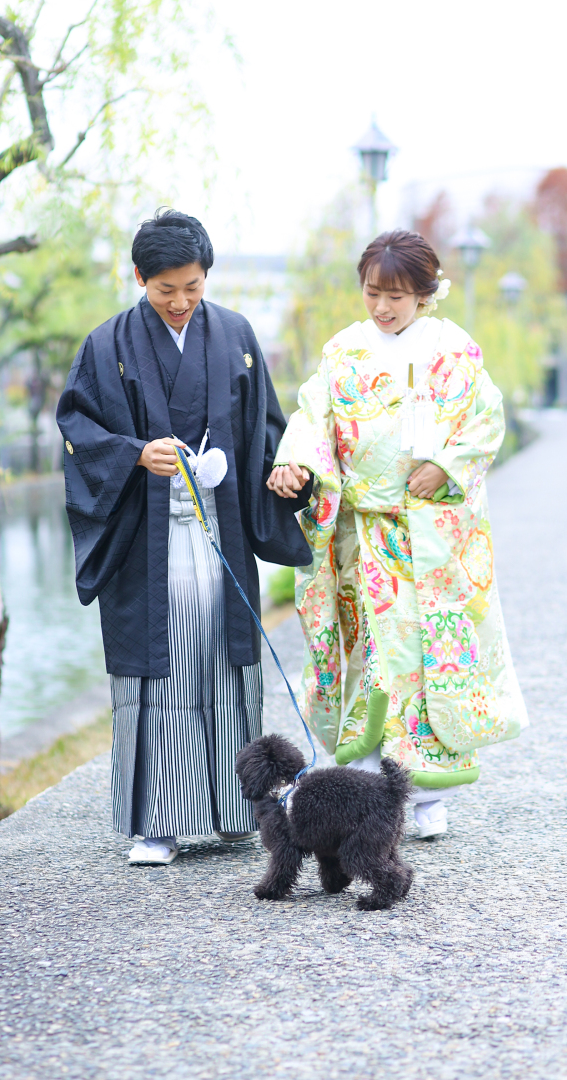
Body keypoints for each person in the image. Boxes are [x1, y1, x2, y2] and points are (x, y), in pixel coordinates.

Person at [57, 209, 311, 864]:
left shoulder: (237, 336)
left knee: (225, 667)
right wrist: (136, 454)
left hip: (221, 528)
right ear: (139, 277)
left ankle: (234, 813)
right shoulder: (106, 344)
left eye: (192, 287)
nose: (179, 302)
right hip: (148, 538)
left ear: (206, 277)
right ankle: (157, 824)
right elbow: (78, 432)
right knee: (155, 676)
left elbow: (269, 429)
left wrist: (284, 472)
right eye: (165, 289)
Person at [267, 230, 528, 838]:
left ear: (425, 294)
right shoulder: (342, 352)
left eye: (397, 296)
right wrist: (296, 462)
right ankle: (360, 784)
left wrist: (452, 464)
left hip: (423, 535)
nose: (382, 307)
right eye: (373, 292)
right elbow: (313, 417)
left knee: (417, 660)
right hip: (360, 529)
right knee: (366, 658)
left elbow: (485, 420)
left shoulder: (454, 350)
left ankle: (426, 797)